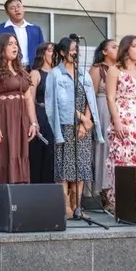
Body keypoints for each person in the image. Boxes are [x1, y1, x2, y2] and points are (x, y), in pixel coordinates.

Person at [46, 37, 103, 219]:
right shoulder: (56, 74)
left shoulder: (83, 73)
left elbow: (90, 97)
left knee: (81, 167)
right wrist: (82, 119)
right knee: (64, 168)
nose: (75, 52)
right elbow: (60, 103)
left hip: (83, 127)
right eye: (71, 49)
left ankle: (77, 205)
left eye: (76, 49)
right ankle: (65, 206)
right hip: (65, 125)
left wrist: (87, 121)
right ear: (62, 52)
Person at [0, 33, 37, 194]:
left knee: (18, 156)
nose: (15, 47)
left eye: (16, 44)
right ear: (1, 48)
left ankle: (17, 198)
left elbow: (28, 99)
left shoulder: (20, 70)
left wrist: (33, 122)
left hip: (19, 121)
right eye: (10, 44)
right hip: (1, 120)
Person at [105, 36, 136, 209]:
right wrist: (117, 122)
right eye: (134, 46)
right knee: (122, 158)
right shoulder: (114, 70)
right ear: (126, 48)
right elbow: (110, 98)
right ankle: (119, 201)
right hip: (124, 116)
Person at [89, 39, 117, 207]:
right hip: (102, 111)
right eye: (114, 47)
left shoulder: (120, 69)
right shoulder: (97, 69)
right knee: (104, 151)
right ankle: (107, 195)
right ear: (104, 51)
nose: (118, 50)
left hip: (119, 112)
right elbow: (90, 95)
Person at [28, 42, 57, 184]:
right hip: (41, 114)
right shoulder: (36, 73)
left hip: (56, 115)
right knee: (40, 154)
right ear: (43, 53)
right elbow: (30, 99)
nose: (53, 53)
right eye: (50, 50)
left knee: (53, 155)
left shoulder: (58, 72)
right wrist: (34, 121)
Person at [0, 0, 44, 69]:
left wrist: (37, 70)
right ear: (7, 12)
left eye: (19, 6)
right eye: (12, 8)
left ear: (23, 8)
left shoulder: (35, 29)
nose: (17, 10)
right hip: (9, 69)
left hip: (32, 69)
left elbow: (42, 52)